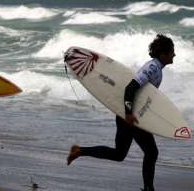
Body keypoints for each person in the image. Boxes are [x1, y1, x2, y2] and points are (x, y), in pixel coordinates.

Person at [67, 34, 175, 191]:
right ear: (163, 54)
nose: (174, 55)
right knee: (151, 152)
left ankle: (79, 151)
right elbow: (130, 88)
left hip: (129, 115)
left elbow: (144, 97)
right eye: (172, 51)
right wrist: (129, 114)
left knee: (119, 154)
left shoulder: (157, 69)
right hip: (131, 117)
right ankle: (148, 188)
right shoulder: (152, 68)